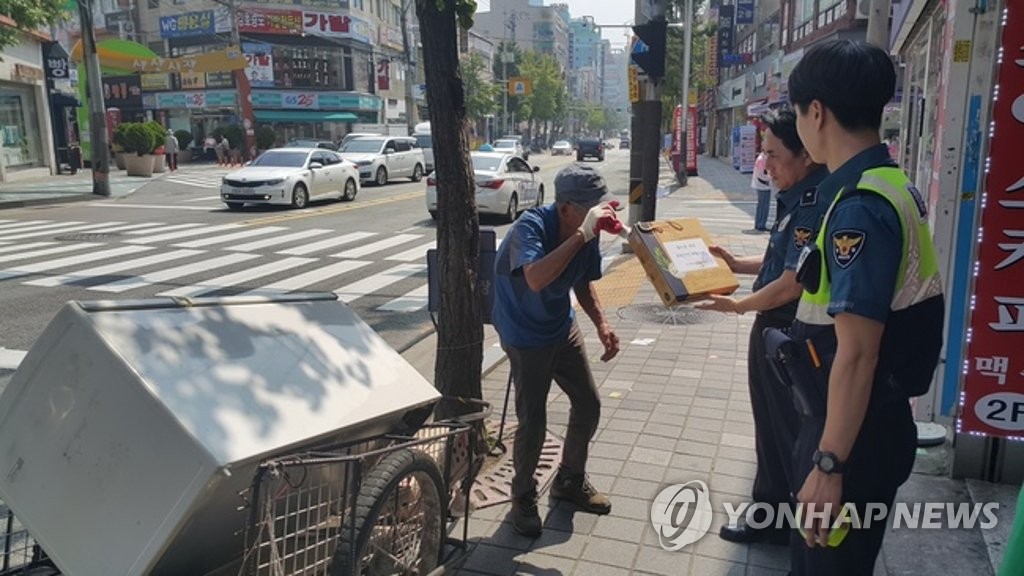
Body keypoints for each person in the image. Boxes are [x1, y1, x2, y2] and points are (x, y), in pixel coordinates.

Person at [785, 39, 944, 575]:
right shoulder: (892, 184)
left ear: (816, 111)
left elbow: (857, 354)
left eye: (796, 114)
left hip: (851, 437)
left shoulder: (861, 209)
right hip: (868, 423)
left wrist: (828, 465)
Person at [696, 106, 831, 545]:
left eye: (773, 154)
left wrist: (738, 307)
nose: (765, 165)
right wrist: (737, 262)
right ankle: (769, 519)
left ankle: (787, 525)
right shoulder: (795, 198)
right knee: (770, 428)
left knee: (788, 432)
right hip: (773, 325)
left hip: (788, 332)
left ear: (806, 155)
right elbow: (780, 263)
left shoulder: (813, 203)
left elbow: (792, 284)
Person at [492, 164, 622, 538]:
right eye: (592, 208)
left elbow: (582, 280)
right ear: (566, 208)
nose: (602, 214)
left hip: (560, 325)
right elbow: (534, 278)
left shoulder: (587, 231)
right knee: (534, 418)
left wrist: (601, 324)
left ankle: (569, 479)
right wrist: (582, 235)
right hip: (523, 331)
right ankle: (523, 496)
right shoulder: (530, 228)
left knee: (589, 402)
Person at [751, 149, 773, 232]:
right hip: (762, 186)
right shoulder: (762, 160)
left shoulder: (762, 158)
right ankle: (761, 224)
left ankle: (760, 224)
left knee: (762, 205)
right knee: (763, 206)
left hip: (762, 185)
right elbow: (765, 173)